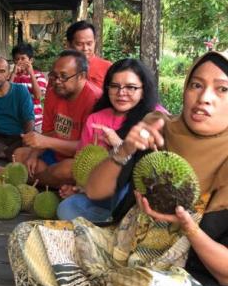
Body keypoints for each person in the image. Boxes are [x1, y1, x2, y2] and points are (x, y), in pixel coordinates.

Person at [9, 51, 228, 286]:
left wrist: (189, 227)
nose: (205, 97)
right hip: (124, 248)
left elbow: (224, 273)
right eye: (196, 84)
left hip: (190, 276)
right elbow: (96, 191)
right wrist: (125, 149)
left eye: (222, 89)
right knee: (28, 236)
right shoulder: (159, 130)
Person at [56, 58, 164, 222]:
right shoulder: (95, 119)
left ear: (143, 90)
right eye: (115, 86)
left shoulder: (156, 118)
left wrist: (120, 145)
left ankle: (115, 220)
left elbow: (158, 169)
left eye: (131, 87)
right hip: (100, 194)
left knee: (124, 189)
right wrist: (80, 188)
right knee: (66, 208)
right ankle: (115, 222)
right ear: (107, 88)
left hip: (134, 197)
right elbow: (84, 168)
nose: (121, 93)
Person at [13, 49, 102, 188]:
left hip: (77, 159)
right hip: (54, 154)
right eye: (54, 76)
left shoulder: (95, 100)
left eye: (64, 76)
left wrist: (46, 142)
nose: (57, 81)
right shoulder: (53, 92)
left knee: (66, 170)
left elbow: (88, 151)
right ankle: (51, 181)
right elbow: (48, 132)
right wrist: (34, 154)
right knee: (18, 155)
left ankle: (36, 179)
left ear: (81, 76)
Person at [9, 42, 47, 132]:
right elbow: (6, 95)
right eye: (17, 59)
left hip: (36, 120)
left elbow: (38, 96)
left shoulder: (39, 76)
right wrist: (13, 74)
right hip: (16, 121)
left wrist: (31, 74)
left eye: (23, 58)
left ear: (31, 60)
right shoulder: (12, 77)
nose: (19, 62)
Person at [66, 20, 112, 90]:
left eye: (89, 44)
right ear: (69, 45)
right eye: (79, 44)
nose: (85, 48)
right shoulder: (61, 68)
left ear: (95, 42)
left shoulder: (108, 68)